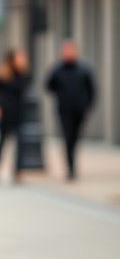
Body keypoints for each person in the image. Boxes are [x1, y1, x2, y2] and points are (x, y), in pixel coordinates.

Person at [45, 39, 95, 179]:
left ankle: (72, 163)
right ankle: (71, 168)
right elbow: (49, 86)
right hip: (64, 110)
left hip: (79, 110)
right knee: (68, 137)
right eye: (65, 51)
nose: (68, 53)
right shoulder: (57, 69)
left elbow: (91, 90)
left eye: (70, 51)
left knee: (75, 138)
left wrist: (88, 105)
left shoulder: (83, 69)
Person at [0, 49, 28, 182]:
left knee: (19, 142)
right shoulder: (2, 74)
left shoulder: (22, 73)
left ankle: (17, 171)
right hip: (4, 112)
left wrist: (22, 71)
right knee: (2, 141)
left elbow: (23, 88)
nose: (21, 60)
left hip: (18, 112)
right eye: (19, 58)